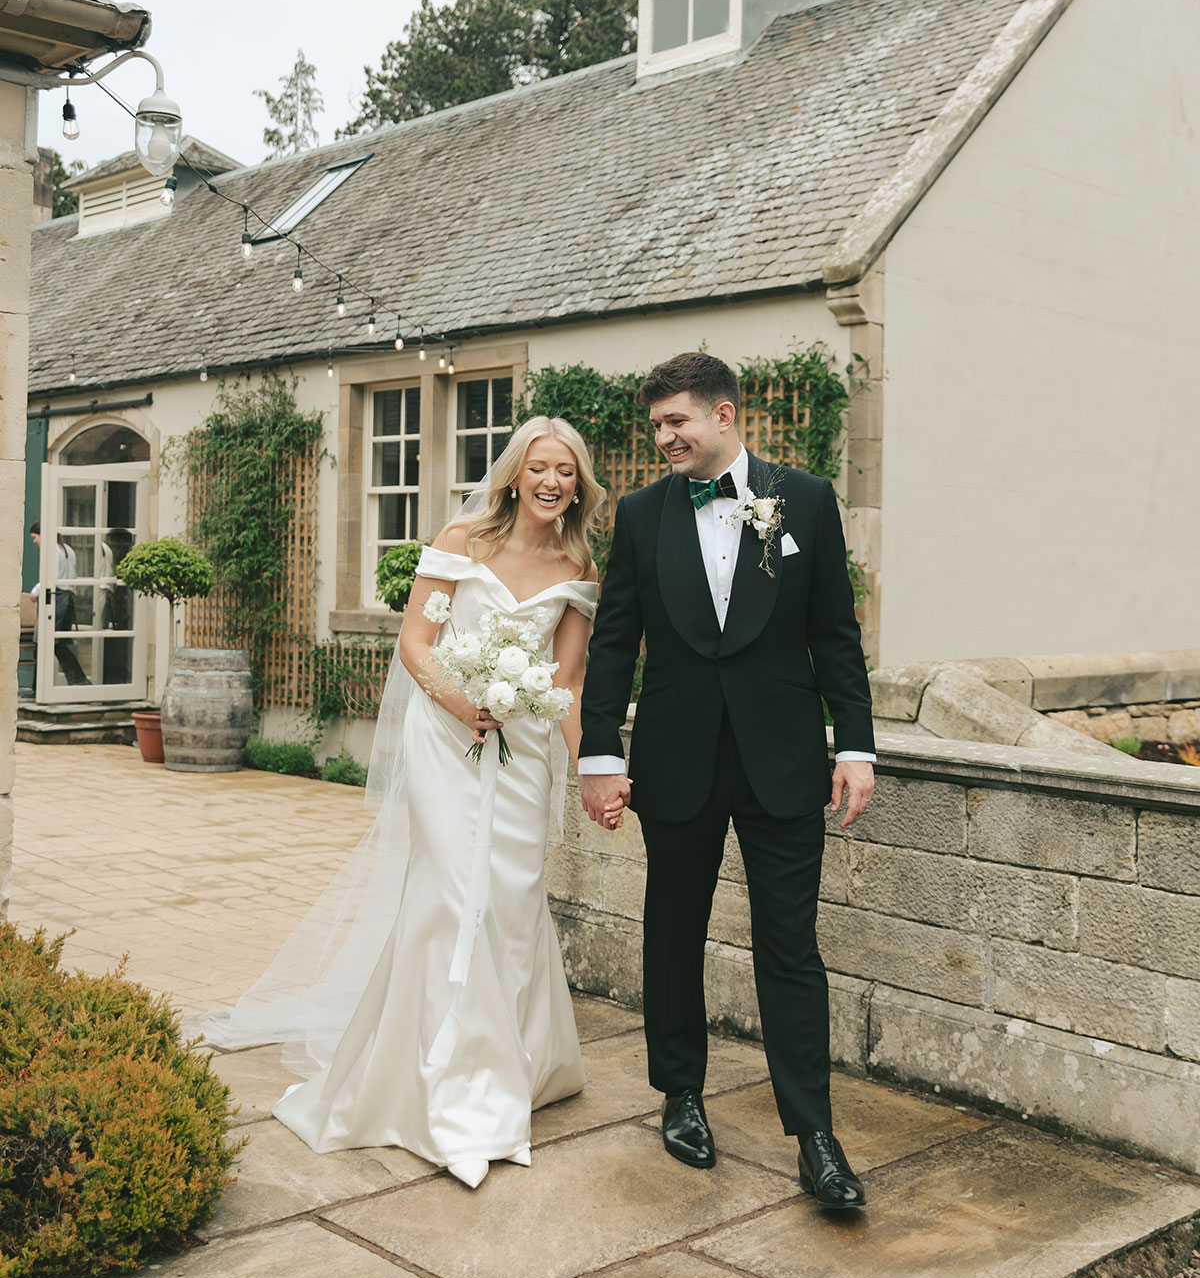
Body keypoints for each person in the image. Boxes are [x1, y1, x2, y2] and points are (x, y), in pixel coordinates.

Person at [201, 417, 604, 1190]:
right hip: (447, 737)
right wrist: (463, 703)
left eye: (567, 471)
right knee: (454, 894)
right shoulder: (462, 539)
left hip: (525, 754)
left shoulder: (579, 562)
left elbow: (569, 681)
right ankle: (448, 1084)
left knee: (512, 901)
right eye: (540, 467)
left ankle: (507, 1061)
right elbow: (415, 645)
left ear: (579, 485)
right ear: (515, 476)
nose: (553, 481)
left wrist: (589, 764)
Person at [578, 352, 877, 1211]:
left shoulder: (807, 500)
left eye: (677, 422)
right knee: (673, 932)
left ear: (726, 416)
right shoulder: (639, 516)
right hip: (675, 760)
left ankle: (814, 1133)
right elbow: (613, 643)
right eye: (657, 425)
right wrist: (602, 755)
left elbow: (837, 636)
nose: (663, 438)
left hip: (784, 760)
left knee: (791, 947)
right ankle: (680, 1094)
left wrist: (853, 745)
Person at [28, 519, 90, 689]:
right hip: (68, 596)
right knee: (58, 643)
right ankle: (79, 681)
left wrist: (35, 591)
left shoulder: (53, 550)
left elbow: (51, 577)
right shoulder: (67, 549)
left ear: (43, 534)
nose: (35, 541)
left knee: (43, 641)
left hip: (57, 596)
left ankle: (38, 688)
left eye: (35, 537)